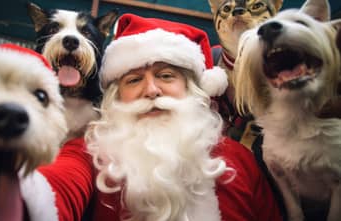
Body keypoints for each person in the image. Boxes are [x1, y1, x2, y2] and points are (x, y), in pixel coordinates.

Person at [83, 13, 284, 221]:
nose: (151, 90)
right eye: (134, 80)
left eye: (166, 76)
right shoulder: (92, 160)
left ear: (191, 89)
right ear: (117, 98)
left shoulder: (240, 159)